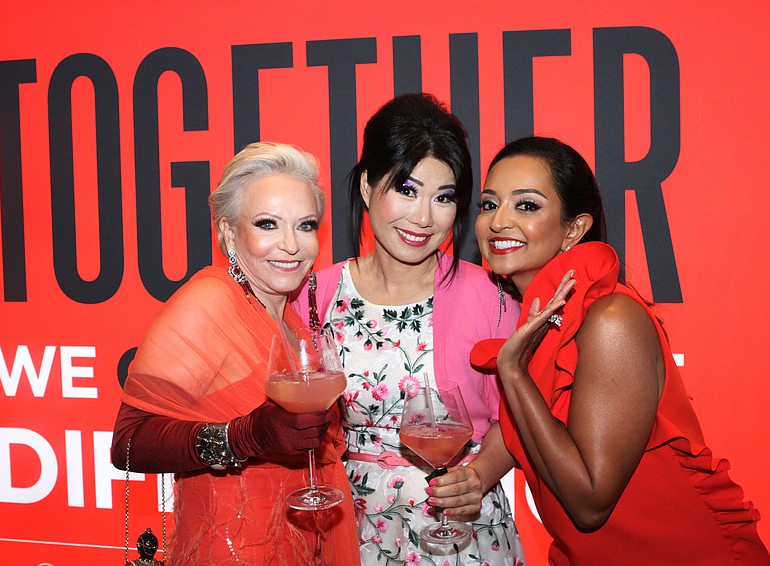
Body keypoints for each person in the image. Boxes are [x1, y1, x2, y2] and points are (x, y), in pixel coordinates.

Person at [468, 135, 770, 565]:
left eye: (527, 205)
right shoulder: (536, 327)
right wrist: (476, 476)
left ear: (573, 228)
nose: (499, 222)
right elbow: (531, 431)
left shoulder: (611, 320)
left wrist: (512, 372)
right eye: (488, 204)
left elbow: (590, 502)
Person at [294, 93, 526, 565]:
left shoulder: (494, 296)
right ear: (366, 187)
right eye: (406, 189)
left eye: (443, 198)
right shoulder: (312, 296)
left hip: (461, 533)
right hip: (348, 530)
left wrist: (481, 473)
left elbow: (520, 417)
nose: (423, 218)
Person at [111, 141, 360, 566]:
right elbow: (128, 443)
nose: (291, 245)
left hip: (301, 546)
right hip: (232, 551)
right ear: (228, 232)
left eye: (305, 226)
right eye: (267, 224)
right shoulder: (210, 301)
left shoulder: (293, 316)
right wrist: (243, 436)